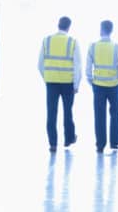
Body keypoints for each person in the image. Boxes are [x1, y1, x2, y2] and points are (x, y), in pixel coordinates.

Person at [39, 16, 82, 152]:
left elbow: (40, 64)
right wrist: (76, 85)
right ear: (69, 27)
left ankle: (53, 143)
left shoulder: (47, 40)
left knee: (51, 113)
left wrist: (47, 78)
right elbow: (77, 66)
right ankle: (68, 139)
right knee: (67, 112)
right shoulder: (72, 42)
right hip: (67, 83)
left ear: (58, 25)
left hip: (51, 83)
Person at [86, 20, 118, 153]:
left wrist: (91, 80)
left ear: (101, 30)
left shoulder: (93, 47)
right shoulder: (117, 47)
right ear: (111, 31)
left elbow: (88, 67)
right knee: (115, 113)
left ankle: (100, 145)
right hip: (114, 85)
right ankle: (114, 143)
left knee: (99, 115)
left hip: (98, 85)